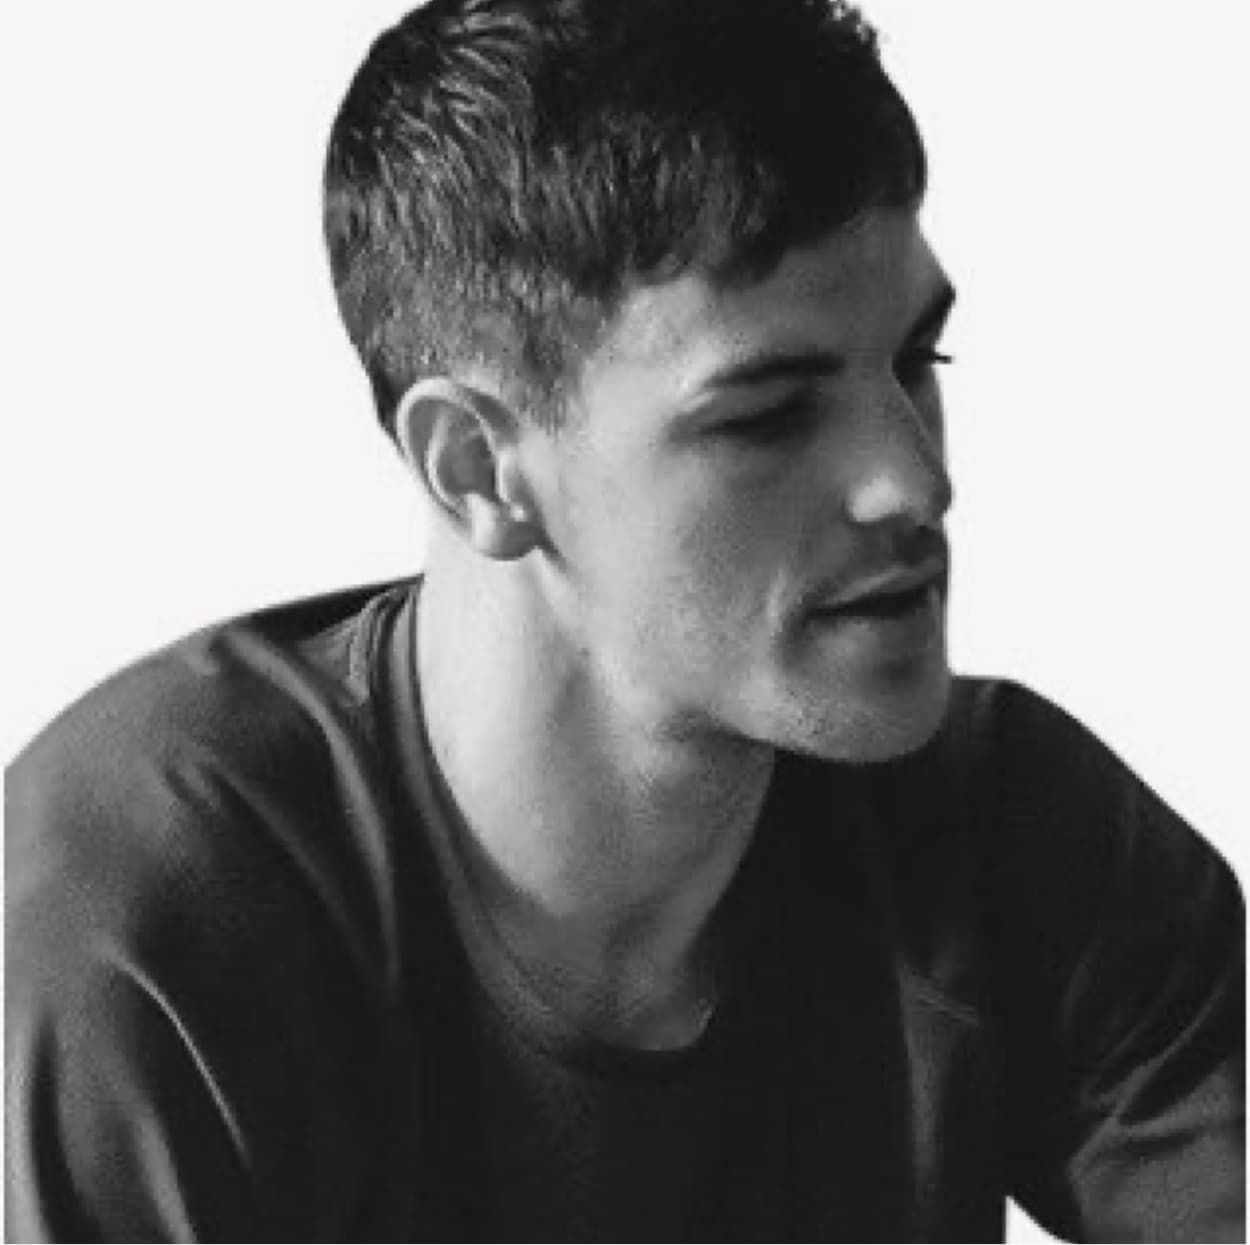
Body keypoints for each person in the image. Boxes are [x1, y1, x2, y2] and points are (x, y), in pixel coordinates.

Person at [5, 0, 1244, 1239]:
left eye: (918, 361)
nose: (914, 480)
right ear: (476, 470)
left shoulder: (1015, 833)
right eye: (765, 414)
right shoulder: (144, 917)